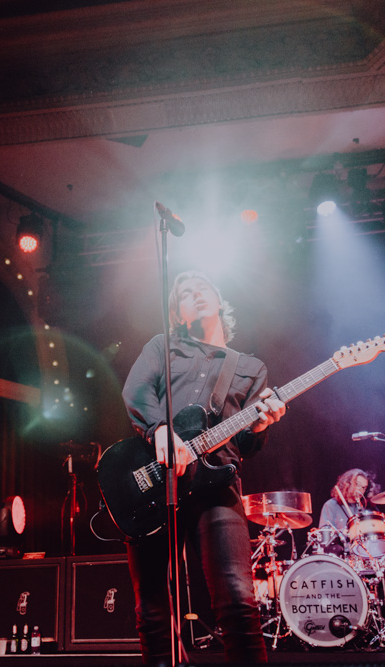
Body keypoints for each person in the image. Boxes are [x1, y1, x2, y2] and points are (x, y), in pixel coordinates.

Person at [121, 270, 286, 663]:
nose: (195, 295)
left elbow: (244, 444)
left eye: (202, 289)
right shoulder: (162, 346)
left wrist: (260, 423)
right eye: (185, 294)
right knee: (152, 610)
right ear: (177, 313)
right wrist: (160, 430)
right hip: (156, 482)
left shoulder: (250, 367)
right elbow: (137, 390)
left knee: (237, 600)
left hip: (216, 487)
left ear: (218, 301)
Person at [318, 468, 377, 533]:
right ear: (347, 484)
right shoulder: (331, 505)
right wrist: (343, 532)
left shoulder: (364, 508)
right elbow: (324, 533)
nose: (361, 489)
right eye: (357, 484)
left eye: (364, 487)